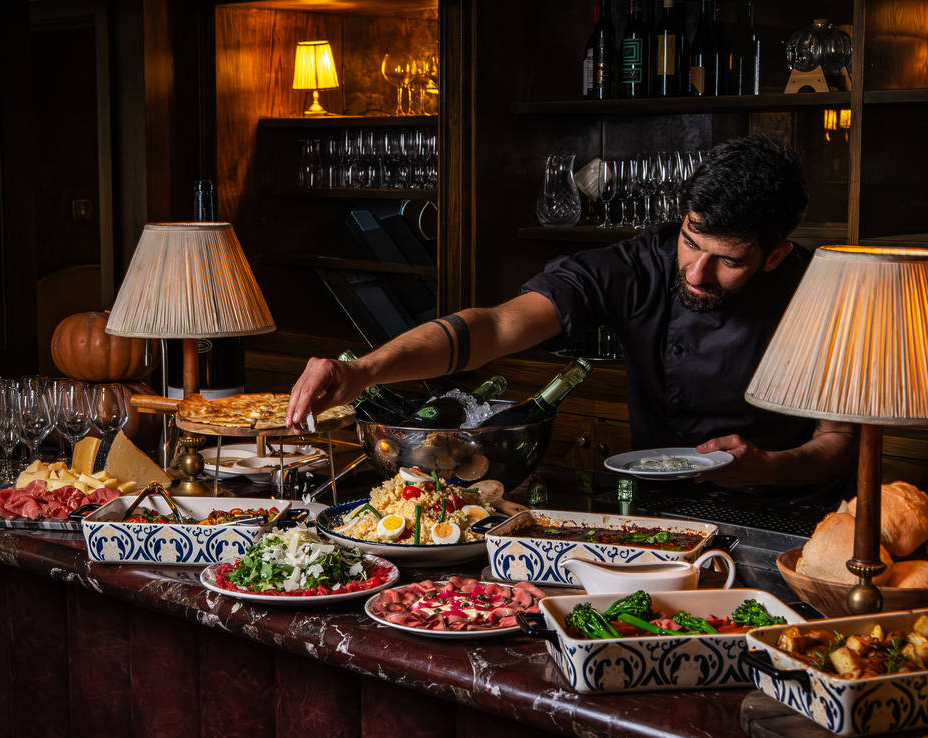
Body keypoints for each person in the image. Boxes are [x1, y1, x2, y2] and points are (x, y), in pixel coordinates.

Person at [286, 134, 857, 489]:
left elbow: (838, 443)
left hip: (788, 517)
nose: (696, 273)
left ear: (776, 254)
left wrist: (767, 467)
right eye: (691, 241)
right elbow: (494, 325)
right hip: (655, 510)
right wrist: (363, 370)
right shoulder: (635, 265)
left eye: (727, 261)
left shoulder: (825, 294)